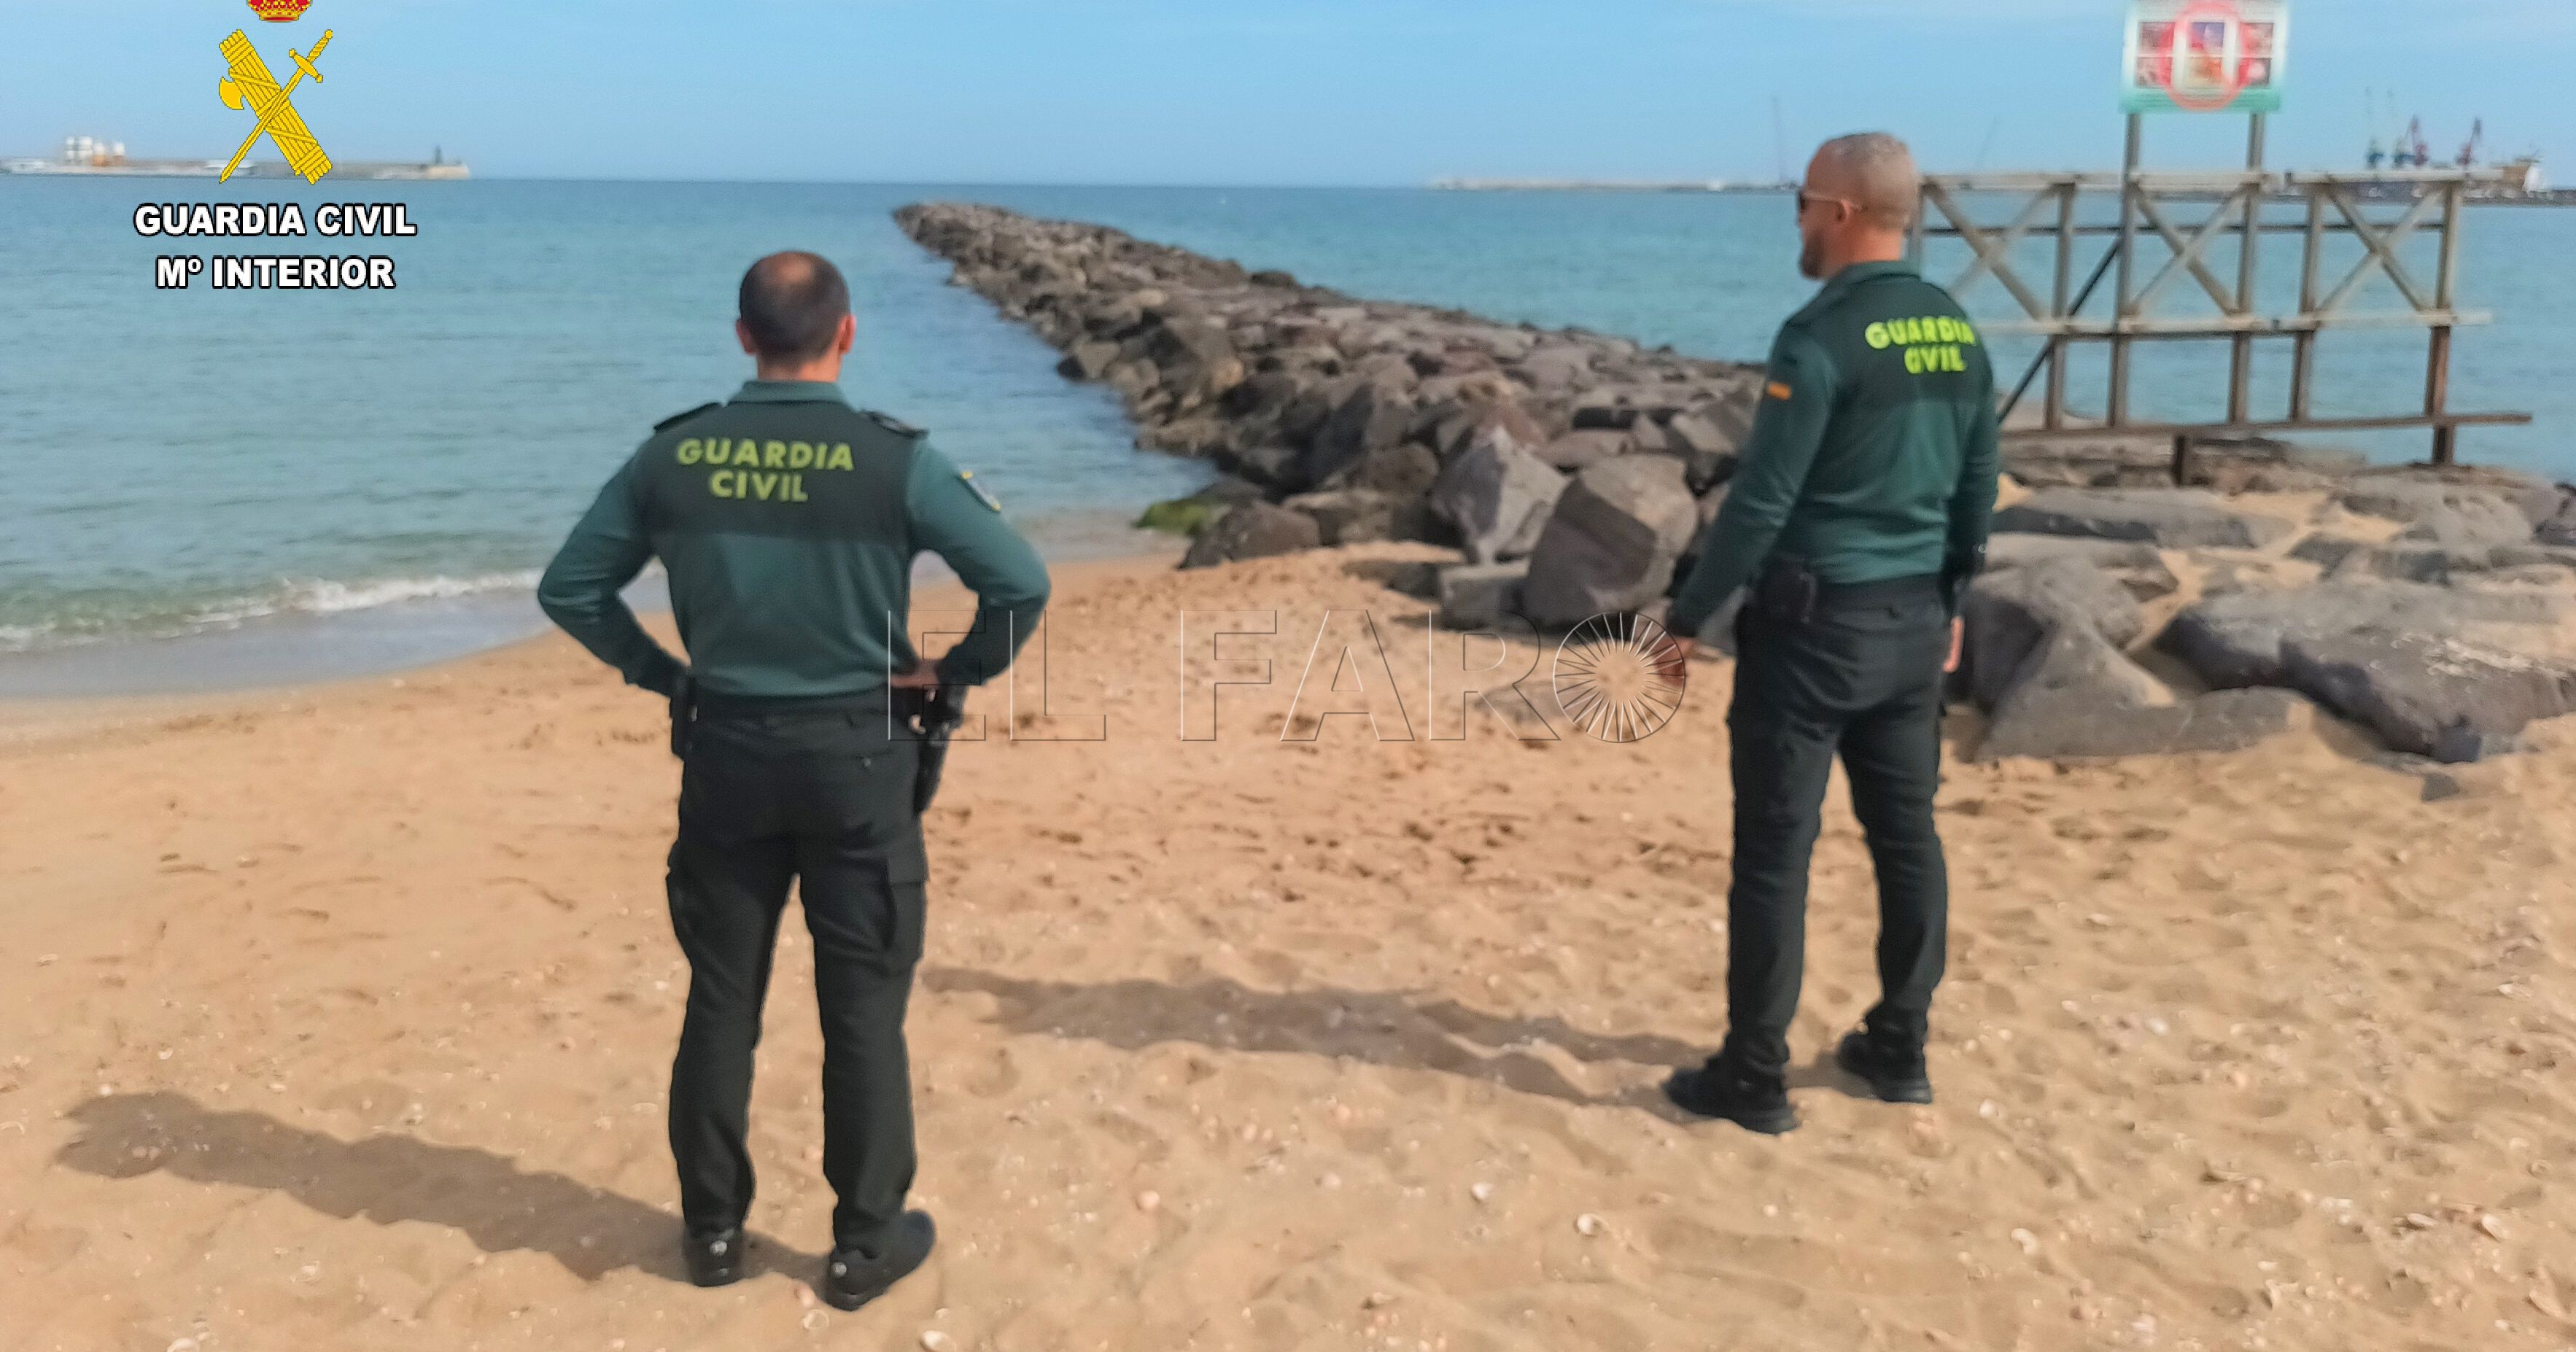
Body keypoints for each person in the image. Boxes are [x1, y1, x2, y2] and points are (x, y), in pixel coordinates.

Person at [538, 252, 1050, 1305]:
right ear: (848, 333)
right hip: (859, 756)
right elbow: (1019, 582)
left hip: (726, 749)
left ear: (742, 338)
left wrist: (662, 675)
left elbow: (571, 588)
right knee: (861, 1003)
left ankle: (714, 1233)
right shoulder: (892, 460)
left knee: (723, 995)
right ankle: (864, 1242)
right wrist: (953, 673)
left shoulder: (672, 457)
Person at [1654, 133, 2001, 1135]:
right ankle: (1900, 1044)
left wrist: (1682, 622)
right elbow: (1977, 482)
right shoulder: (1955, 327)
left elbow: (1760, 505)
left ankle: (1753, 1073)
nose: (1797, 223)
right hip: (1912, 622)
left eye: (1803, 203)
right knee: (1907, 835)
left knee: (1774, 849)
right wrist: (1955, 600)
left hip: (1812, 630)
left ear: (1842, 213)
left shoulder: (1818, 337)